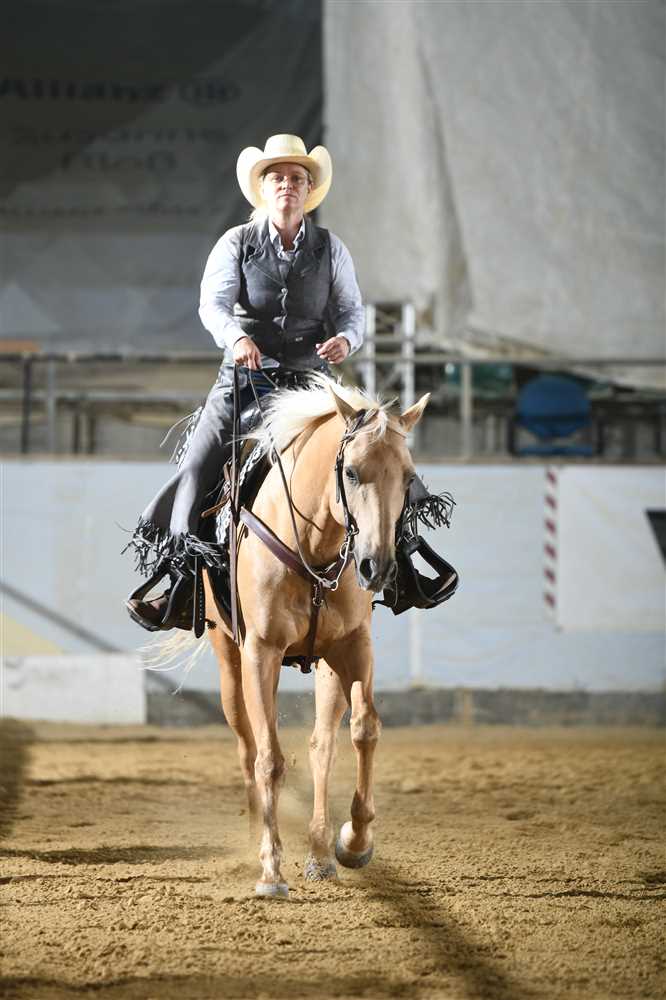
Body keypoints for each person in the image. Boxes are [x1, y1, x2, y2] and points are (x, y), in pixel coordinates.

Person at [125, 134, 365, 631]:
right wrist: (236, 337)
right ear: (263, 187)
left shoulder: (332, 248)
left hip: (311, 382)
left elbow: (351, 311)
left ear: (309, 190)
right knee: (198, 463)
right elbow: (212, 305)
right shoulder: (235, 242)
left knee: (377, 446)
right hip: (244, 379)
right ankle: (181, 579)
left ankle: (404, 558)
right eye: (278, 177)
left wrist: (347, 338)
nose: (287, 185)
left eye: (296, 178)